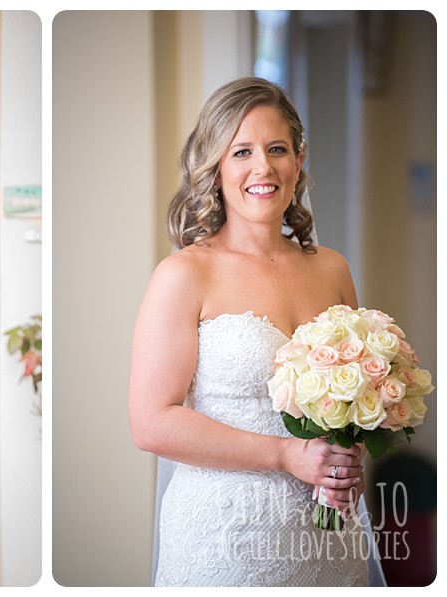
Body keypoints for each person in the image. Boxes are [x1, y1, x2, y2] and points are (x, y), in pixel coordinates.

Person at [128, 77, 382, 586]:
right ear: (216, 167)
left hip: (327, 538)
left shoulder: (332, 268)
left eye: (277, 149)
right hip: (227, 539)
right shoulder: (184, 275)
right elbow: (151, 423)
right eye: (241, 151)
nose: (262, 167)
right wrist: (286, 454)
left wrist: (348, 456)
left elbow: (356, 403)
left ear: (299, 161)